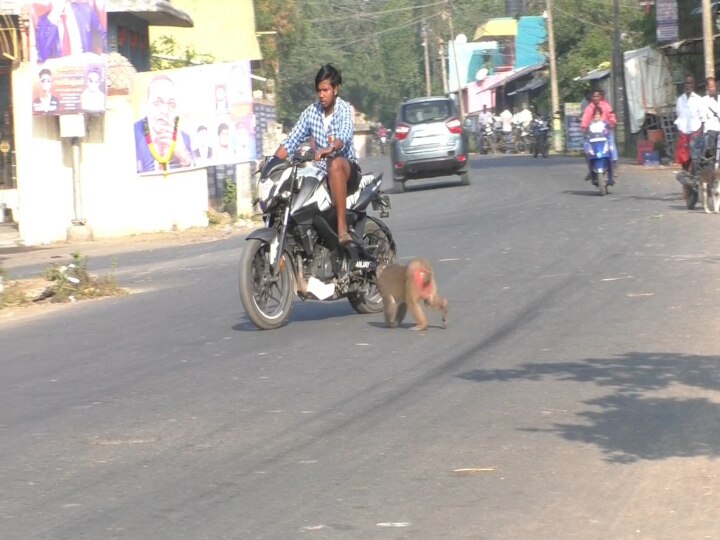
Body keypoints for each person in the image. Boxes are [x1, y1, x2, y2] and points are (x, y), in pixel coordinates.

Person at [272, 63, 360, 247]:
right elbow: (292, 140)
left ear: (336, 89)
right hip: (321, 174)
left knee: (334, 164)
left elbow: (344, 135)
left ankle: (342, 229)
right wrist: (272, 162)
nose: (322, 95)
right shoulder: (311, 113)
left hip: (347, 171)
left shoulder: (343, 110)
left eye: (326, 90)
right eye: (319, 90)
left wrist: (331, 148)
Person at [134, 75, 193, 174]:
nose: (165, 111)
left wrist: (184, 159)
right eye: (158, 102)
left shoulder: (184, 138)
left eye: (171, 104)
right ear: (147, 104)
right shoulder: (132, 134)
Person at [33, 0, 106, 62]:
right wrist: (54, 16)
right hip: (58, 73)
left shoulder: (86, 11)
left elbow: (103, 38)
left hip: (83, 69)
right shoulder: (44, 21)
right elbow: (43, 55)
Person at [580, 88, 618, 180]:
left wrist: (612, 122)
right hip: (593, 134)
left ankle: (614, 167)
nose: (596, 98)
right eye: (594, 96)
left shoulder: (606, 106)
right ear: (591, 97)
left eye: (597, 96)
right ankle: (590, 168)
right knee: (586, 149)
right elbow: (585, 119)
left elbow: (611, 115)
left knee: (612, 147)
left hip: (606, 133)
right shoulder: (589, 108)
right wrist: (584, 127)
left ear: (601, 97)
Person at [674, 74, 703, 176]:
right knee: (684, 160)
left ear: (693, 85)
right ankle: (686, 185)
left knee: (695, 160)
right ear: (684, 84)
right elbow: (678, 116)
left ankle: (695, 181)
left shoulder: (699, 99)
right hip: (684, 134)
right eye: (687, 83)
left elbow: (702, 118)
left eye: (690, 83)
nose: (688, 85)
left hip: (695, 133)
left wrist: (699, 133)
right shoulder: (680, 100)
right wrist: (680, 130)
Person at [700, 76, 719, 169]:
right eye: (710, 86)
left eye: (713, 86)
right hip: (710, 132)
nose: (712, 88)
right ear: (707, 88)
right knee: (709, 157)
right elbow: (703, 119)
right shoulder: (704, 100)